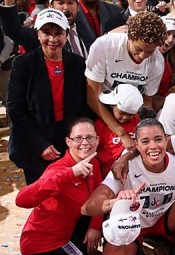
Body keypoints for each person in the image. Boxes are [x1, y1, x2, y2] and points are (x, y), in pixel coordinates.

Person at [12, 118, 112, 255]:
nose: (85, 143)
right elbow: (21, 200)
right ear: (68, 142)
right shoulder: (58, 170)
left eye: (90, 137)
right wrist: (70, 173)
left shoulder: (94, 164)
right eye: (78, 138)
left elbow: (98, 195)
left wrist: (94, 226)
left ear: (97, 140)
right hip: (40, 249)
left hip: (65, 241)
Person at [82, 119, 175, 255]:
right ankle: (134, 250)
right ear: (136, 145)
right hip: (130, 223)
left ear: (166, 139)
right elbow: (87, 208)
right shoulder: (124, 167)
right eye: (145, 141)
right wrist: (113, 203)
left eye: (158, 139)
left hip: (162, 218)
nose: (153, 146)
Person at [7, 9, 91, 184]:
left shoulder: (77, 64)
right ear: (38, 34)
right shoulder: (23, 64)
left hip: (68, 140)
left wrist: (78, 139)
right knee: (43, 198)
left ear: (66, 35)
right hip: (35, 142)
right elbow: (16, 109)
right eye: (46, 33)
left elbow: (84, 105)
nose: (52, 39)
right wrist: (40, 144)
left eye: (58, 33)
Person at [86, 11, 166, 154]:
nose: (142, 56)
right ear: (129, 36)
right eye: (138, 49)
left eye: (149, 52)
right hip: (100, 112)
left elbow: (147, 104)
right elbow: (92, 97)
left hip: (132, 116)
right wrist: (121, 132)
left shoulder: (158, 60)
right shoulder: (104, 46)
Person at [95, 84, 143, 177]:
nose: (125, 117)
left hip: (134, 172)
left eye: (130, 114)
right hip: (108, 173)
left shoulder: (137, 121)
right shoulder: (100, 124)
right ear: (112, 105)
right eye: (121, 112)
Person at [154, 16, 175, 112]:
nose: (170, 39)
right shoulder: (143, 57)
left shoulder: (172, 60)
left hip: (165, 109)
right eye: (167, 33)